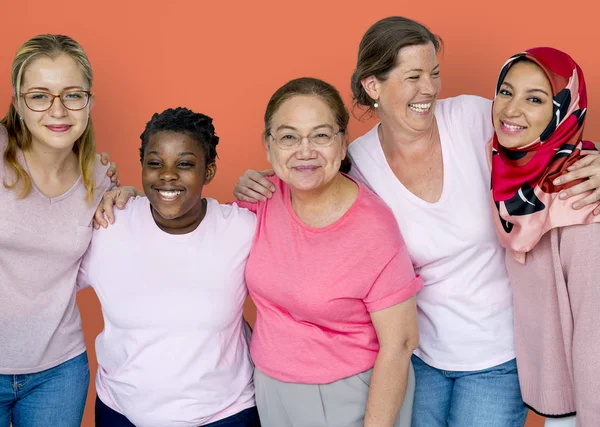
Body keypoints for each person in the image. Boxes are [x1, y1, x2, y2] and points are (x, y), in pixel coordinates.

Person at [232, 17, 600, 427]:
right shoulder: (357, 162)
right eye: (413, 76)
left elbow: (549, 138)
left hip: (500, 356)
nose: (429, 88)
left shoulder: (474, 118)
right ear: (374, 87)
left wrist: (599, 159)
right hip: (418, 356)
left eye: (434, 73)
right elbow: (307, 176)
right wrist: (254, 183)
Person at [98, 78, 421, 427]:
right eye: (288, 137)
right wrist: (127, 198)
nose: (305, 150)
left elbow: (400, 343)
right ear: (269, 147)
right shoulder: (260, 204)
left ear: (343, 144)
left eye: (321, 135)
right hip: (270, 394)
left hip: (349, 395)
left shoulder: (373, 227)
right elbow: (187, 220)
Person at [78, 107, 260, 427]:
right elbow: (45, 278)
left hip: (224, 414)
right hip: (121, 412)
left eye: (185, 164)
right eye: (154, 164)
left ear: (209, 171)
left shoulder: (242, 230)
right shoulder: (108, 224)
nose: (167, 175)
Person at [0, 34, 118, 427]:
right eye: (39, 95)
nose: (58, 110)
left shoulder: (101, 179)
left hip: (59, 371)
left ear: (89, 102)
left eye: (71, 94)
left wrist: (127, 195)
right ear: (17, 103)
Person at [490, 47, 600, 427]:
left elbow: (594, 338)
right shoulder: (506, 170)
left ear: (564, 113)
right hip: (548, 394)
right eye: (506, 91)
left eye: (535, 99)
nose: (511, 110)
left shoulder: (581, 200)